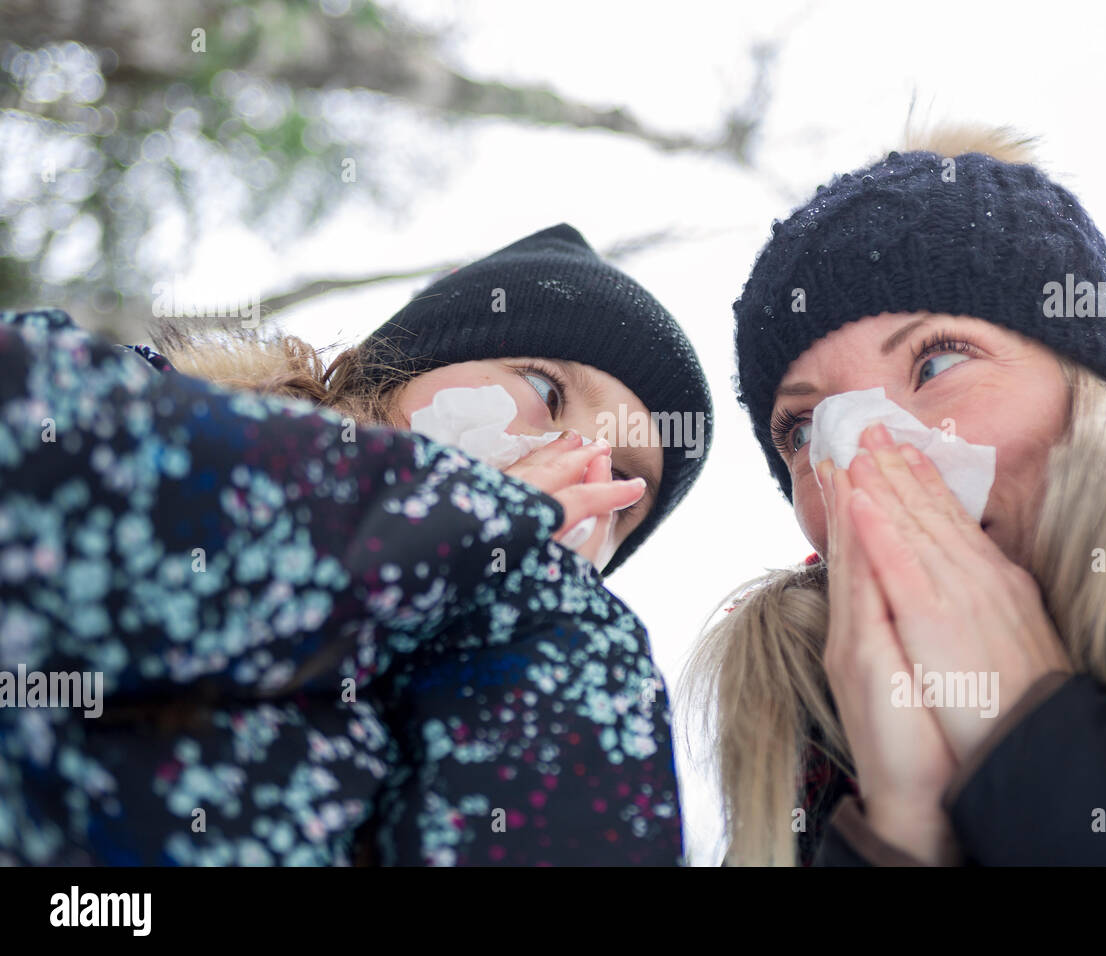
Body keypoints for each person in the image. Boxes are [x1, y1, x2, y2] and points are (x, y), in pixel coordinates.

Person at [0, 223, 712, 865]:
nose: (578, 462)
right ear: (399, 369)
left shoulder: (568, 664)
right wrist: (459, 518)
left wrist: (557, 631)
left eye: (622, 483)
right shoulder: (141, 404)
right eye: (541, 388)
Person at [684, 125, 1106, 866]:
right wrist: (903, 832)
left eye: (938, 361)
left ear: (1091, 386)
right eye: (806, 428)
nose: (864, 456)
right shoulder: (806, 751)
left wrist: (1035, 743)